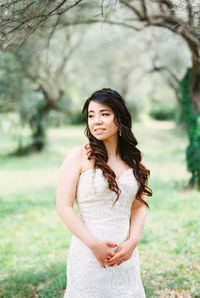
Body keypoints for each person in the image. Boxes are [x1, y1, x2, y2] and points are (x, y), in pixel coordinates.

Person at [56, 88, 152, 298]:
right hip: (89, 252)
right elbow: (64, 207)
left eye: (104, 114)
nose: (96, 121)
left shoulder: (135, 159)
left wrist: (133, 241)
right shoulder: (78, 155)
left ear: (120, 118)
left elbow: (138, 205)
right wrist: (93, 244)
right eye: (91, 115)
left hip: (125, 254)